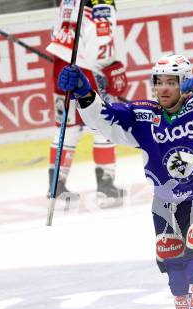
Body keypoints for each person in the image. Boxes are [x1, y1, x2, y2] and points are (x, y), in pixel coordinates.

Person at [57, 53, 193, 309]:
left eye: (171, 82)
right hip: (164, 202)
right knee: (175, 271)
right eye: (158, 81)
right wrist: (84, 93)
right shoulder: (143, 115)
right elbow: (104, 118)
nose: (163, 88)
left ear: (186, 83)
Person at [46, 0, 127, 208]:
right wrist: (107, 71)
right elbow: (100, 44)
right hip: (88, 70)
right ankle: (106, 187)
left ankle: (56, 186)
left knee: (68, 125)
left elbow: (57, 31)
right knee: (104, 123)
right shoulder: (102, 2)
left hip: (62, 67)